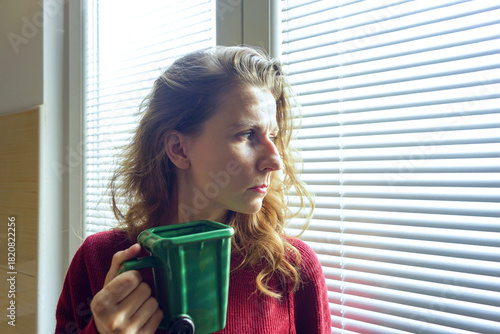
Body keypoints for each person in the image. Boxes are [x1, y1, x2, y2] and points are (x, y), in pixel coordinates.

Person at [55, 46, 331, 333]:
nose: (275, 161)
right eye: (247, 134)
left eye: (272, 136)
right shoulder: (98, 260)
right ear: (179, 149)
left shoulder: (293, 270)